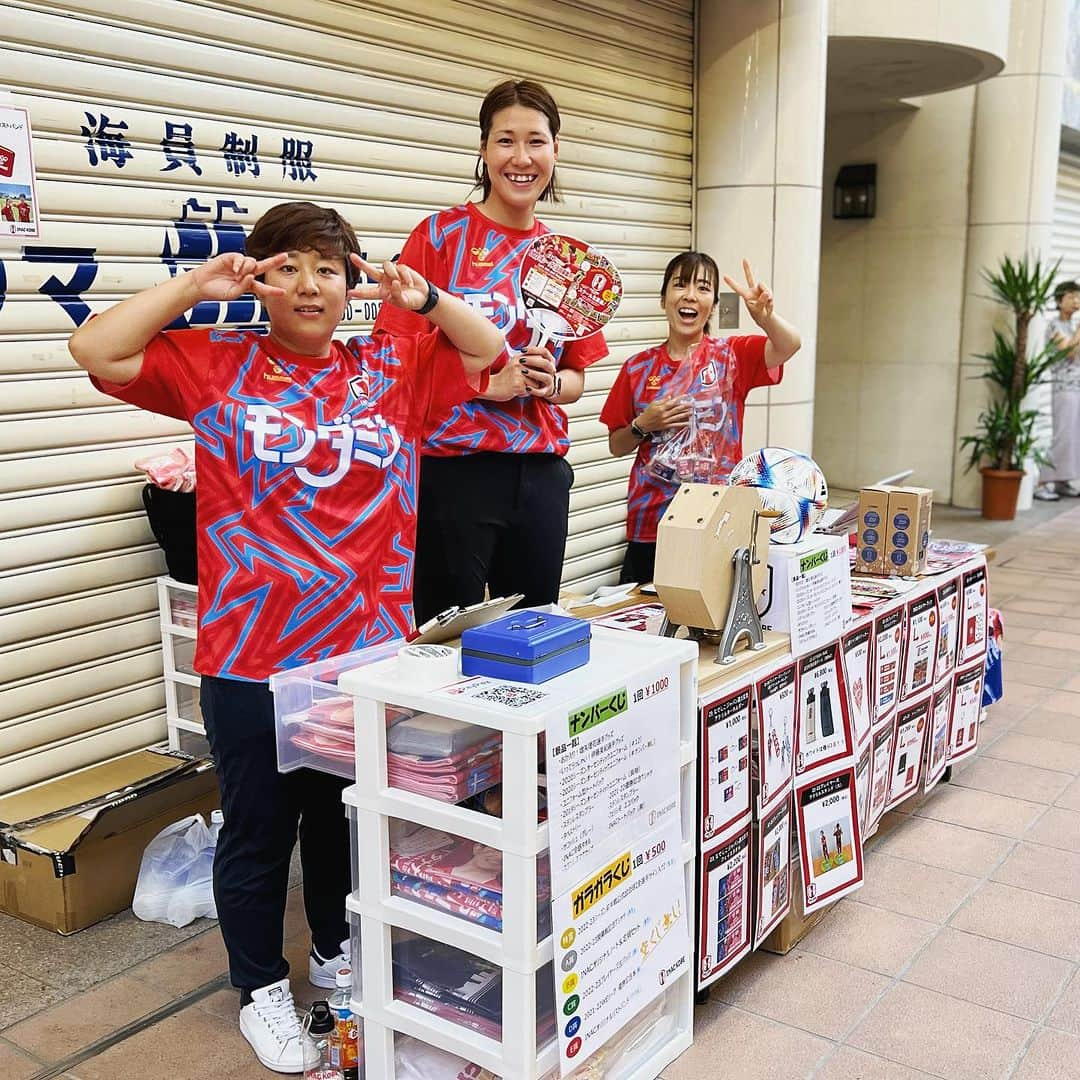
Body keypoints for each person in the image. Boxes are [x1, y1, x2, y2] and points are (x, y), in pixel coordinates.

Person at [68, 201, 503, 1074]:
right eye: (289, 266)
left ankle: (339, 953)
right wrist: (198, 284)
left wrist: (423, 300)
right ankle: (259, 986)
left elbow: (488, 352)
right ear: (261, 277)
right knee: (259, 828)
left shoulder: (394, 362)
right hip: (250, 655)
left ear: (352, 284)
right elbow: (97, 350)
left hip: (366, 655)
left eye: (329, 268)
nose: (311, 285)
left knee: (340, 821)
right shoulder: (215, 361)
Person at [374, 79, 608, 624]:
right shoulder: (440, 237)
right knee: (441, 639)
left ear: (556, 150)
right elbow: (393, 363)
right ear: (483, 150)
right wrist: (479, 381)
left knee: (532, 636)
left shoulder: (566, 259)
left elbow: (576, 379)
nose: (521, 158)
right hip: (454, 474)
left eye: (536, 141)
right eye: (505, 141)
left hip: (541, 474)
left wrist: (552, 384)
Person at [600, 251, 801, 584]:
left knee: (706, 627)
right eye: (680, 285)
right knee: (643, 619)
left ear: (712, 303)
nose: (690, 295)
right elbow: (616, 445)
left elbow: (789, 344)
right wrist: (643, 425)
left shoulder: (732, 356)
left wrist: (765, 318)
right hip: (652, 524)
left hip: (716, 519)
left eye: (703, 287)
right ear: (664, 298)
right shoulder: (637, 368)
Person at [1035, 280, 1080, 501]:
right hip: (1063, 388)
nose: (1076, 301)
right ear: (1059, 300)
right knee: (1062, 435)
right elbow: (1069, 353)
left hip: (1077, 387)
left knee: (1074, 436)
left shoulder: (1072, 327)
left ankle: (1062, 480)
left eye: (1078, 297)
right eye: (1071, 297)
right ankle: (1042, 482)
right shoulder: (1054, 326)